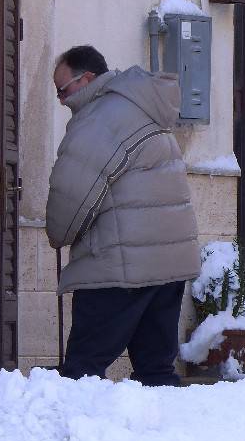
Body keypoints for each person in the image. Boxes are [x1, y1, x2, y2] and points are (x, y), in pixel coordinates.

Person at [46, 44, 200, 386]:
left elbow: (70, 198)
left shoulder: (100, 119)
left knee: (83, 369)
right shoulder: (143, 107)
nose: (60, 100)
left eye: (62, 90)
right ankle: (165, 435)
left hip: (119, 266)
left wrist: (56, 234)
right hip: (168, 264)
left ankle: (71, 436)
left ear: (86, 79)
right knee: (156, 368)